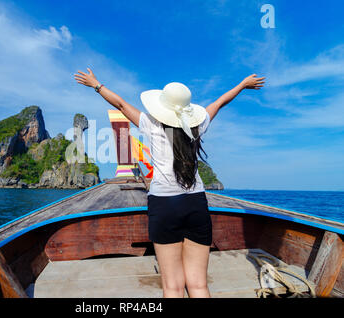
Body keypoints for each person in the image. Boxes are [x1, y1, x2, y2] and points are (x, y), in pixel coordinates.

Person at [74, 68, 265, 298]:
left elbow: (121, 105)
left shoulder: (151, 125)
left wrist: (96, 85)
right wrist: (243, 85)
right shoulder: (198, 126)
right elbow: (220, 102)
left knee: (172, 287)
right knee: (199, 285)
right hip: (196, 203)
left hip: (164, 205)